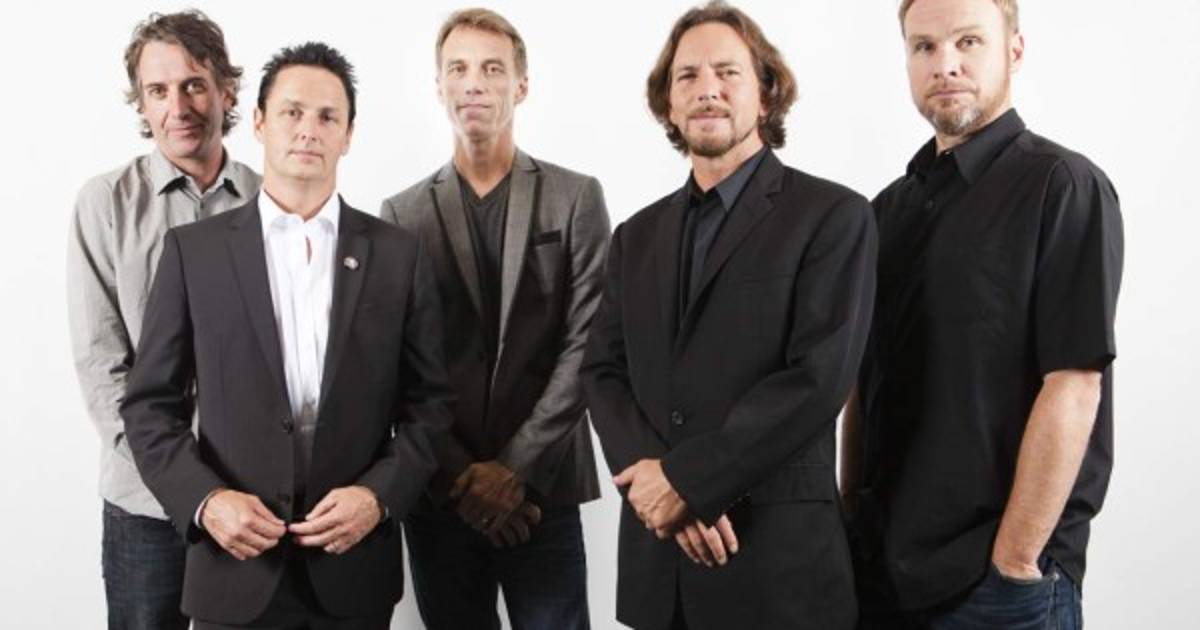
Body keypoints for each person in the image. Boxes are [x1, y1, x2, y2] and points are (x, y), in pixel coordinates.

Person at [120, 42, 452, 629]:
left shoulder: (398, 255)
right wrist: (206, 502)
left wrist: (378, 497)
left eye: (327, 117)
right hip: (234, 566)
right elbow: (149, 406)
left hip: (353, 568)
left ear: (348, 135)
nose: (308, 131)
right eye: (292, 112)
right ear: (258, 122)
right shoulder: (195, 253)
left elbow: (430, 407)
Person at [580, 2, 876, 628]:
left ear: (766, 95)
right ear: (668, 103)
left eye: (727, 72)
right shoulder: (636, 236)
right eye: (687, 76)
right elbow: (602, 371)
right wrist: (656, 487)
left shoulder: (834, 217)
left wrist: (688, 482)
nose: (706, 89)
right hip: (661, 570)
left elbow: (818, 379)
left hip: (775, 569)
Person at [841, 1, 1124, 628]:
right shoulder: (886, 210)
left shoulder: (1062, 185)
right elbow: (864, 382)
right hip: (880, 575)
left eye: (968, 42)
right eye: (924, 47)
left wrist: (1016, 560)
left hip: (995, 586)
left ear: (1014, 51)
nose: (945, 65)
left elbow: (1075, 385)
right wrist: (849, 514)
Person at [381, 8, 610, 629]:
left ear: (522, 85)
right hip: (443, 491)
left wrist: (515, 469)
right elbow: (400, 363)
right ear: (439, 88)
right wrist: (465, 477)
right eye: (458, 69)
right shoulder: (401, 214)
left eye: (491, 69)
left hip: (544, 488)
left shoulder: (576, 197)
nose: (474, 84)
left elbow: (587, 342)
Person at [67, 11, 259, 628]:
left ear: (227, 90)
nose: (178, 107)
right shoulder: (106, 204)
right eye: (158, 90)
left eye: (194, 85)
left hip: (252, 503)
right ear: (142, 103)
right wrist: (186, 487)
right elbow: (102, 364)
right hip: (145, 505)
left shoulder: (272, 201)